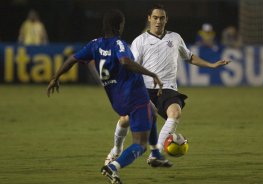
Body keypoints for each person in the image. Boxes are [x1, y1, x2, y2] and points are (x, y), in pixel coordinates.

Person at [47, 9, 171, 184]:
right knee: (139, 144)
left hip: (117, 100)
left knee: (153, 110)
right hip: (135, 96)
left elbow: (72, 59)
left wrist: (55, 77)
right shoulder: (119, 44)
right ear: (119, 26)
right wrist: (152, 74)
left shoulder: (94, 44)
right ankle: (113, 167)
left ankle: (156, 154)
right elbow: (125, 62)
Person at [105, 4, 230, 166]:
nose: (158, 21)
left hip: (167, 89)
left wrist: (212, 65)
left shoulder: (175, 37)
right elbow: (131, 66)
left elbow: (190, 56)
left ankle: (155, 153)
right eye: (155, 18)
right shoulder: (140, 41)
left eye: (162, 18)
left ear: (166, 20)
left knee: (175, 113)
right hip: (144, 90)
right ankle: (116, 150)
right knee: (124, 120)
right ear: (149, 19)